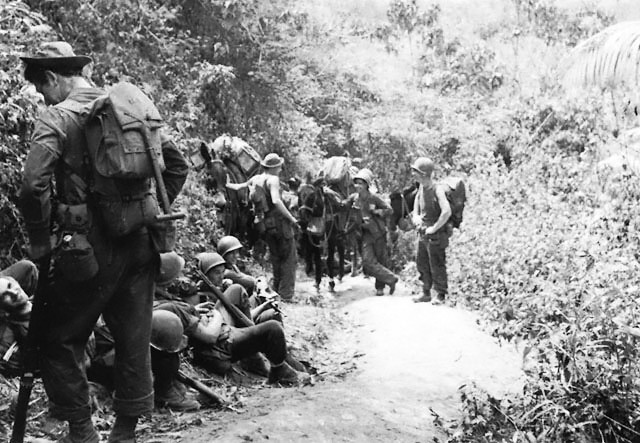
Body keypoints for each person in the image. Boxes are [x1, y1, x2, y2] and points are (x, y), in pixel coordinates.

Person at [18, 41, 188, 442]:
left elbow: (31, 187)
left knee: (59, 338)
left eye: (43, 89)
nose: (44, 97)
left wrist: (40, 240)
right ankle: (125, 432)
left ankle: (81, 430)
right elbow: (176, 165)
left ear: (53, 78)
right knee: (133, 338)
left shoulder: (57, 118)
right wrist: (145, 206)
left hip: (87, 249)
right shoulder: (128, 111)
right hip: (141, 245)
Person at [175, 252, 305, 384]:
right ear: (205, 275)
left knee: (271, 317)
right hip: (220, 343)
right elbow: (208, 332)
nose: (221, 277)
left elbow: (238, 316)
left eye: (222, 272)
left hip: (226, 334)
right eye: (216, 273)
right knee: (270, 326)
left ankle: (283, 364)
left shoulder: (216, 291)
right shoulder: (196, 294)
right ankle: (270, 365)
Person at [227, 153, 298, 301]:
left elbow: (239, 187)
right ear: (276, 167)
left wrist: (225, 183)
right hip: (280, 225)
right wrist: (291, 219)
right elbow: (276, 201)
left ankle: (277, 290)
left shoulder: (256, 178)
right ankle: (286, 295)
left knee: (276, 257)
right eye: (279, 166)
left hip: (264, 226)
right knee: (289, 259)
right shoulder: (273, 180)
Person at [343, 169, 398, 296]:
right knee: (367, 261)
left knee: (380, 259)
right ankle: (391, 279)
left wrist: (378, 212)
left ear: (367, 185)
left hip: (378, 232)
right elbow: (344, 205)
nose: (358, 186)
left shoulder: (374, 198)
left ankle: (380, 287)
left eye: (361, 183)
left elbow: (389, 210)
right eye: (356, 183)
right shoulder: (354, 199)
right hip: (365, 234)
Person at [410, 157, 452, 305]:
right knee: (422, 263)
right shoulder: (422, 187)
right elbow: (417, 201)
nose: (413, 174)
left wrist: (434, 228)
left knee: (437, 264)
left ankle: (440, 294)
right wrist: (415, 216)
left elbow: (446, 211)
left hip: (435, 235)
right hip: (423, 233)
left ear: (423, 174)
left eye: (415, 172)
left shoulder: (437, 189)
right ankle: (425, 292)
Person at [216, 236, 282, 324]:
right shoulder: (226, 272)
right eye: (232, 253)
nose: (236, 256)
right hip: (237, 314)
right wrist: (260, 283)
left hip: (241, 308)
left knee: (264, 291)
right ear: (224, 255)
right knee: (269, 307)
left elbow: (247, 278)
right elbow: (250, 281)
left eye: (236, 252)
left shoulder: (232, 267)